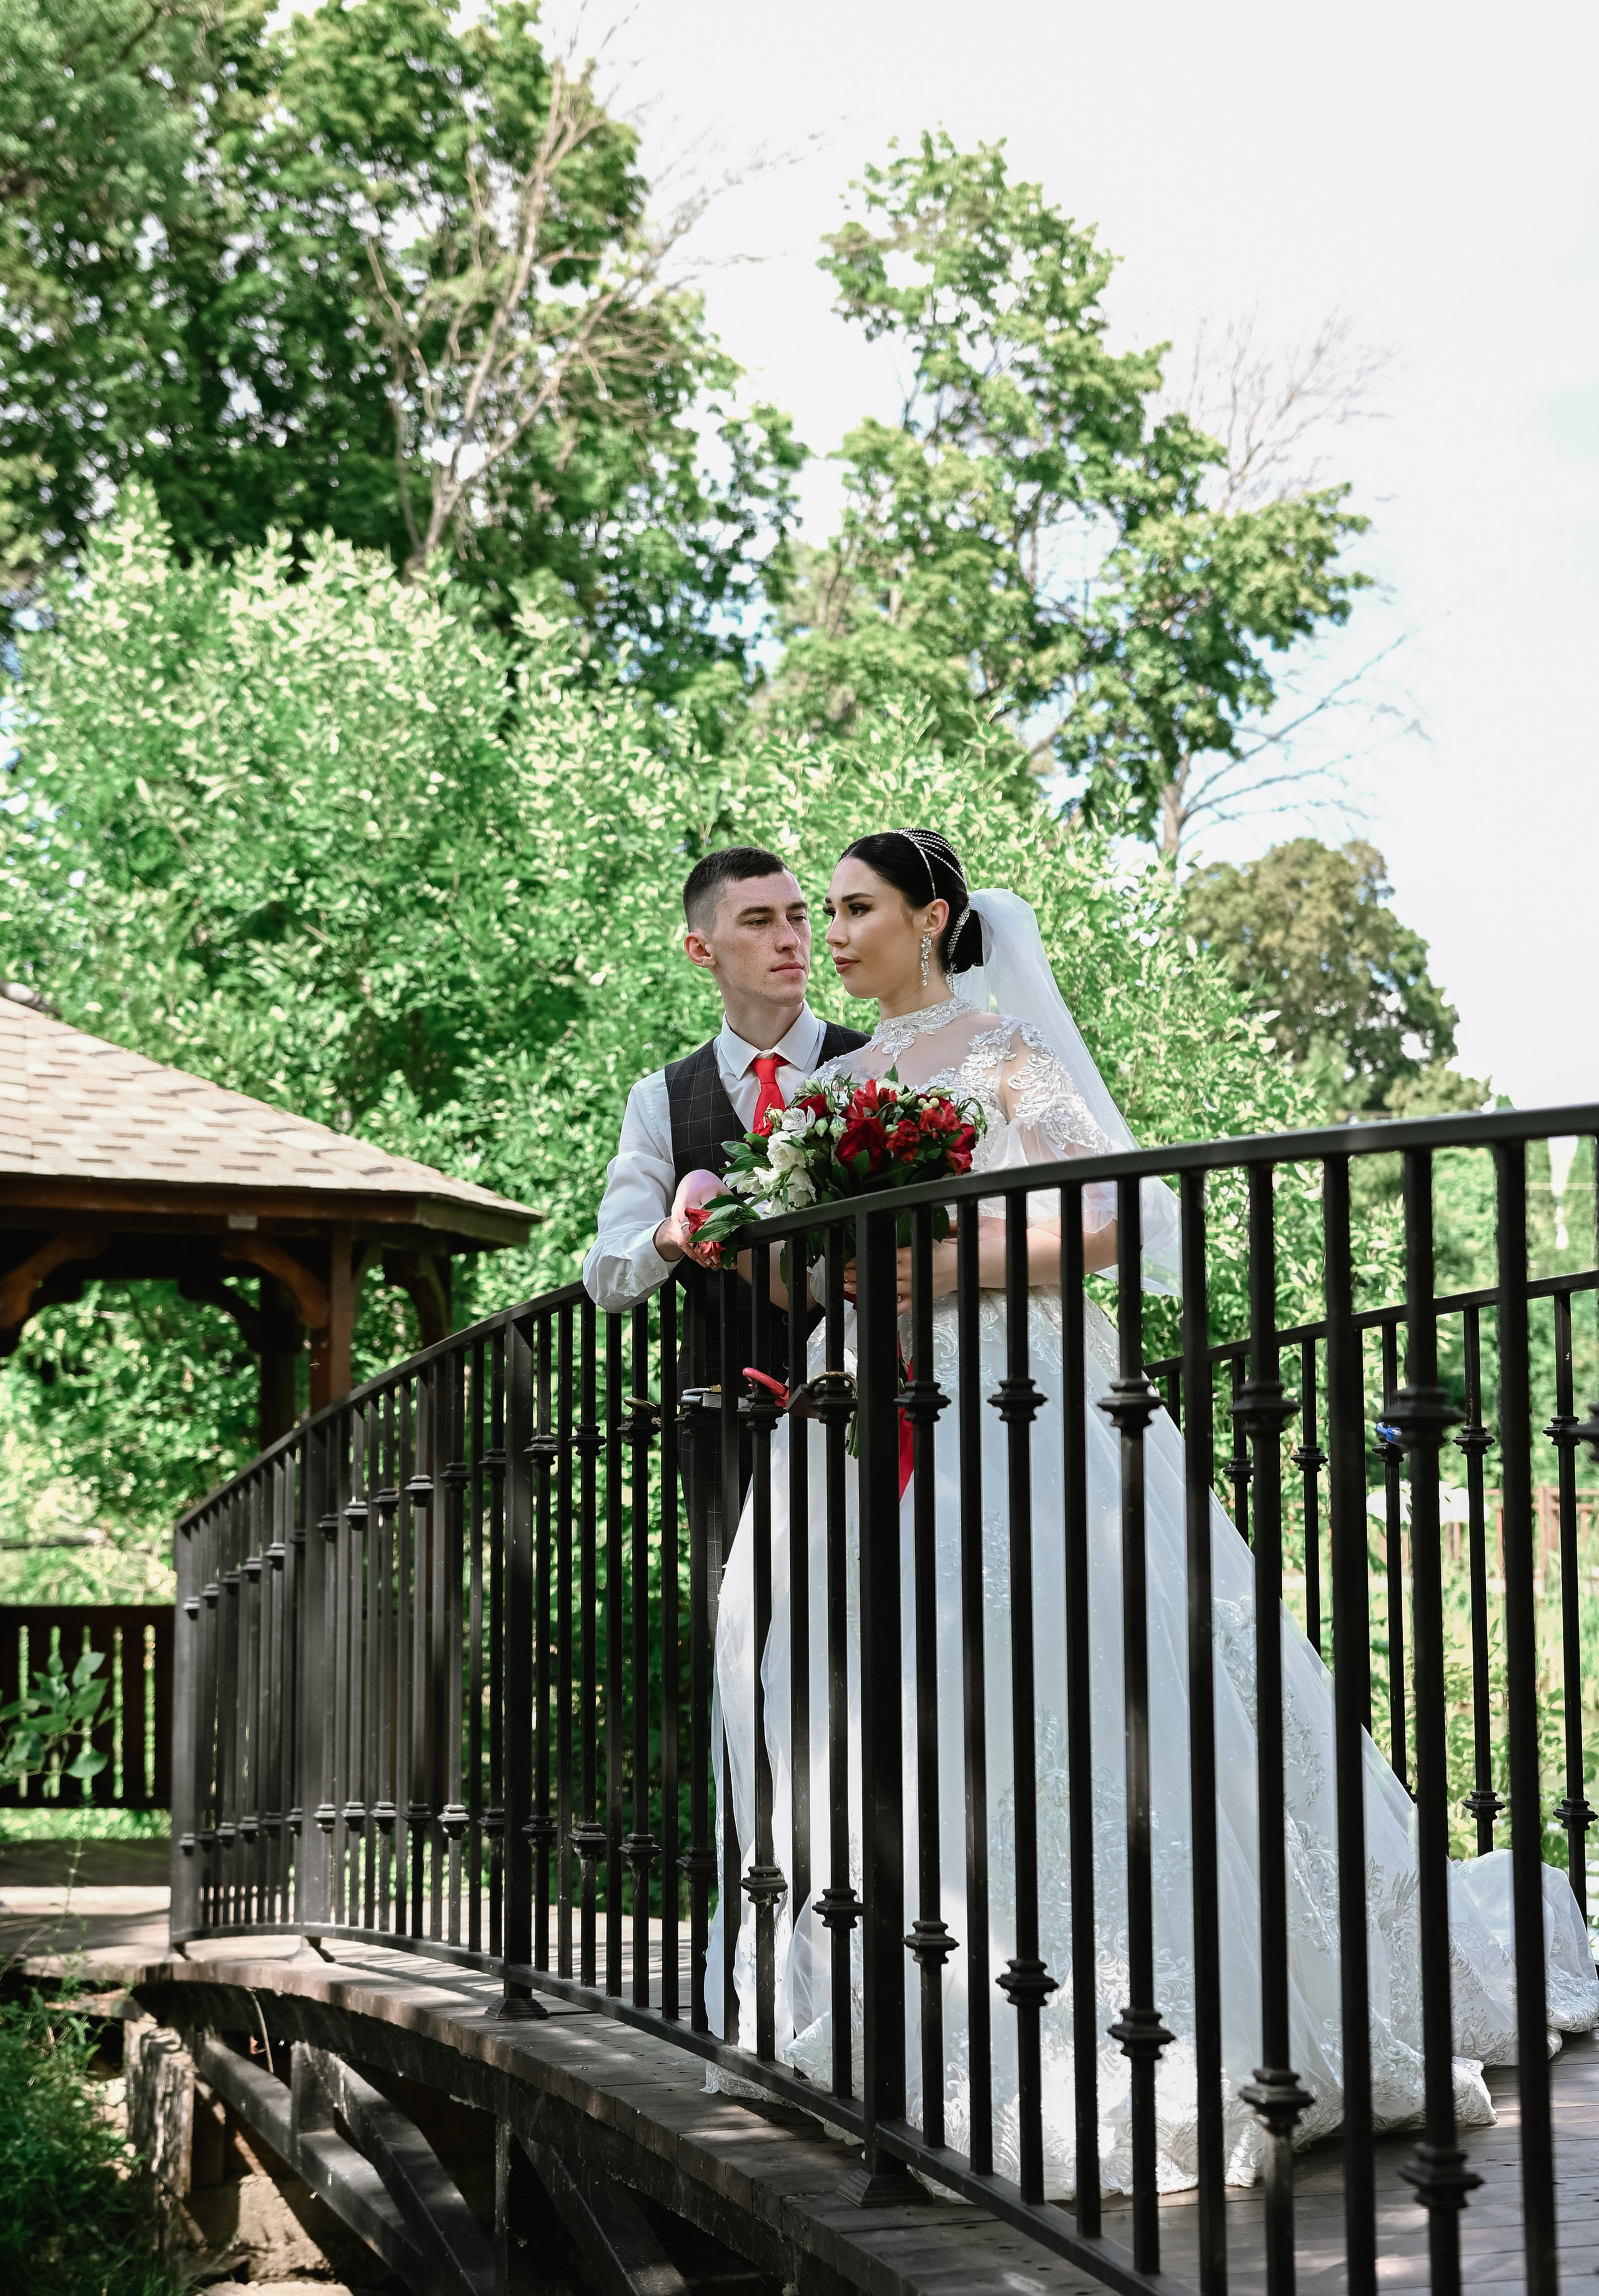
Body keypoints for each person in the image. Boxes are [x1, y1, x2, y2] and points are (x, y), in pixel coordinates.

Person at [705, 825, 1599, 2198]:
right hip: (865, 1402)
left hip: (1014, 1390)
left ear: (931, 917)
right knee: (886, 1687)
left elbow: (1109, 1213)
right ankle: (914, 1979)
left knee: (1068, 1665)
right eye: (820, 913)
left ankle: (1143, 2001)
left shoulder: (1005, 1057)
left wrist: (941, 1260)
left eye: (854, 908)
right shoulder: (840, 1080)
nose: (828, 934)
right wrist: (801, 1259)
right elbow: (810, 1271)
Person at [582, 846, 869, 1481]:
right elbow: (606, 1277)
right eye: (759, 921)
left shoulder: (877, 1065)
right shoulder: (658, 1099)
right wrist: (674, 1233)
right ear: (700, 950)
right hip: (722, 1426)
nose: (791, 939)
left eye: (798, 916)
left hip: (871, 1407)